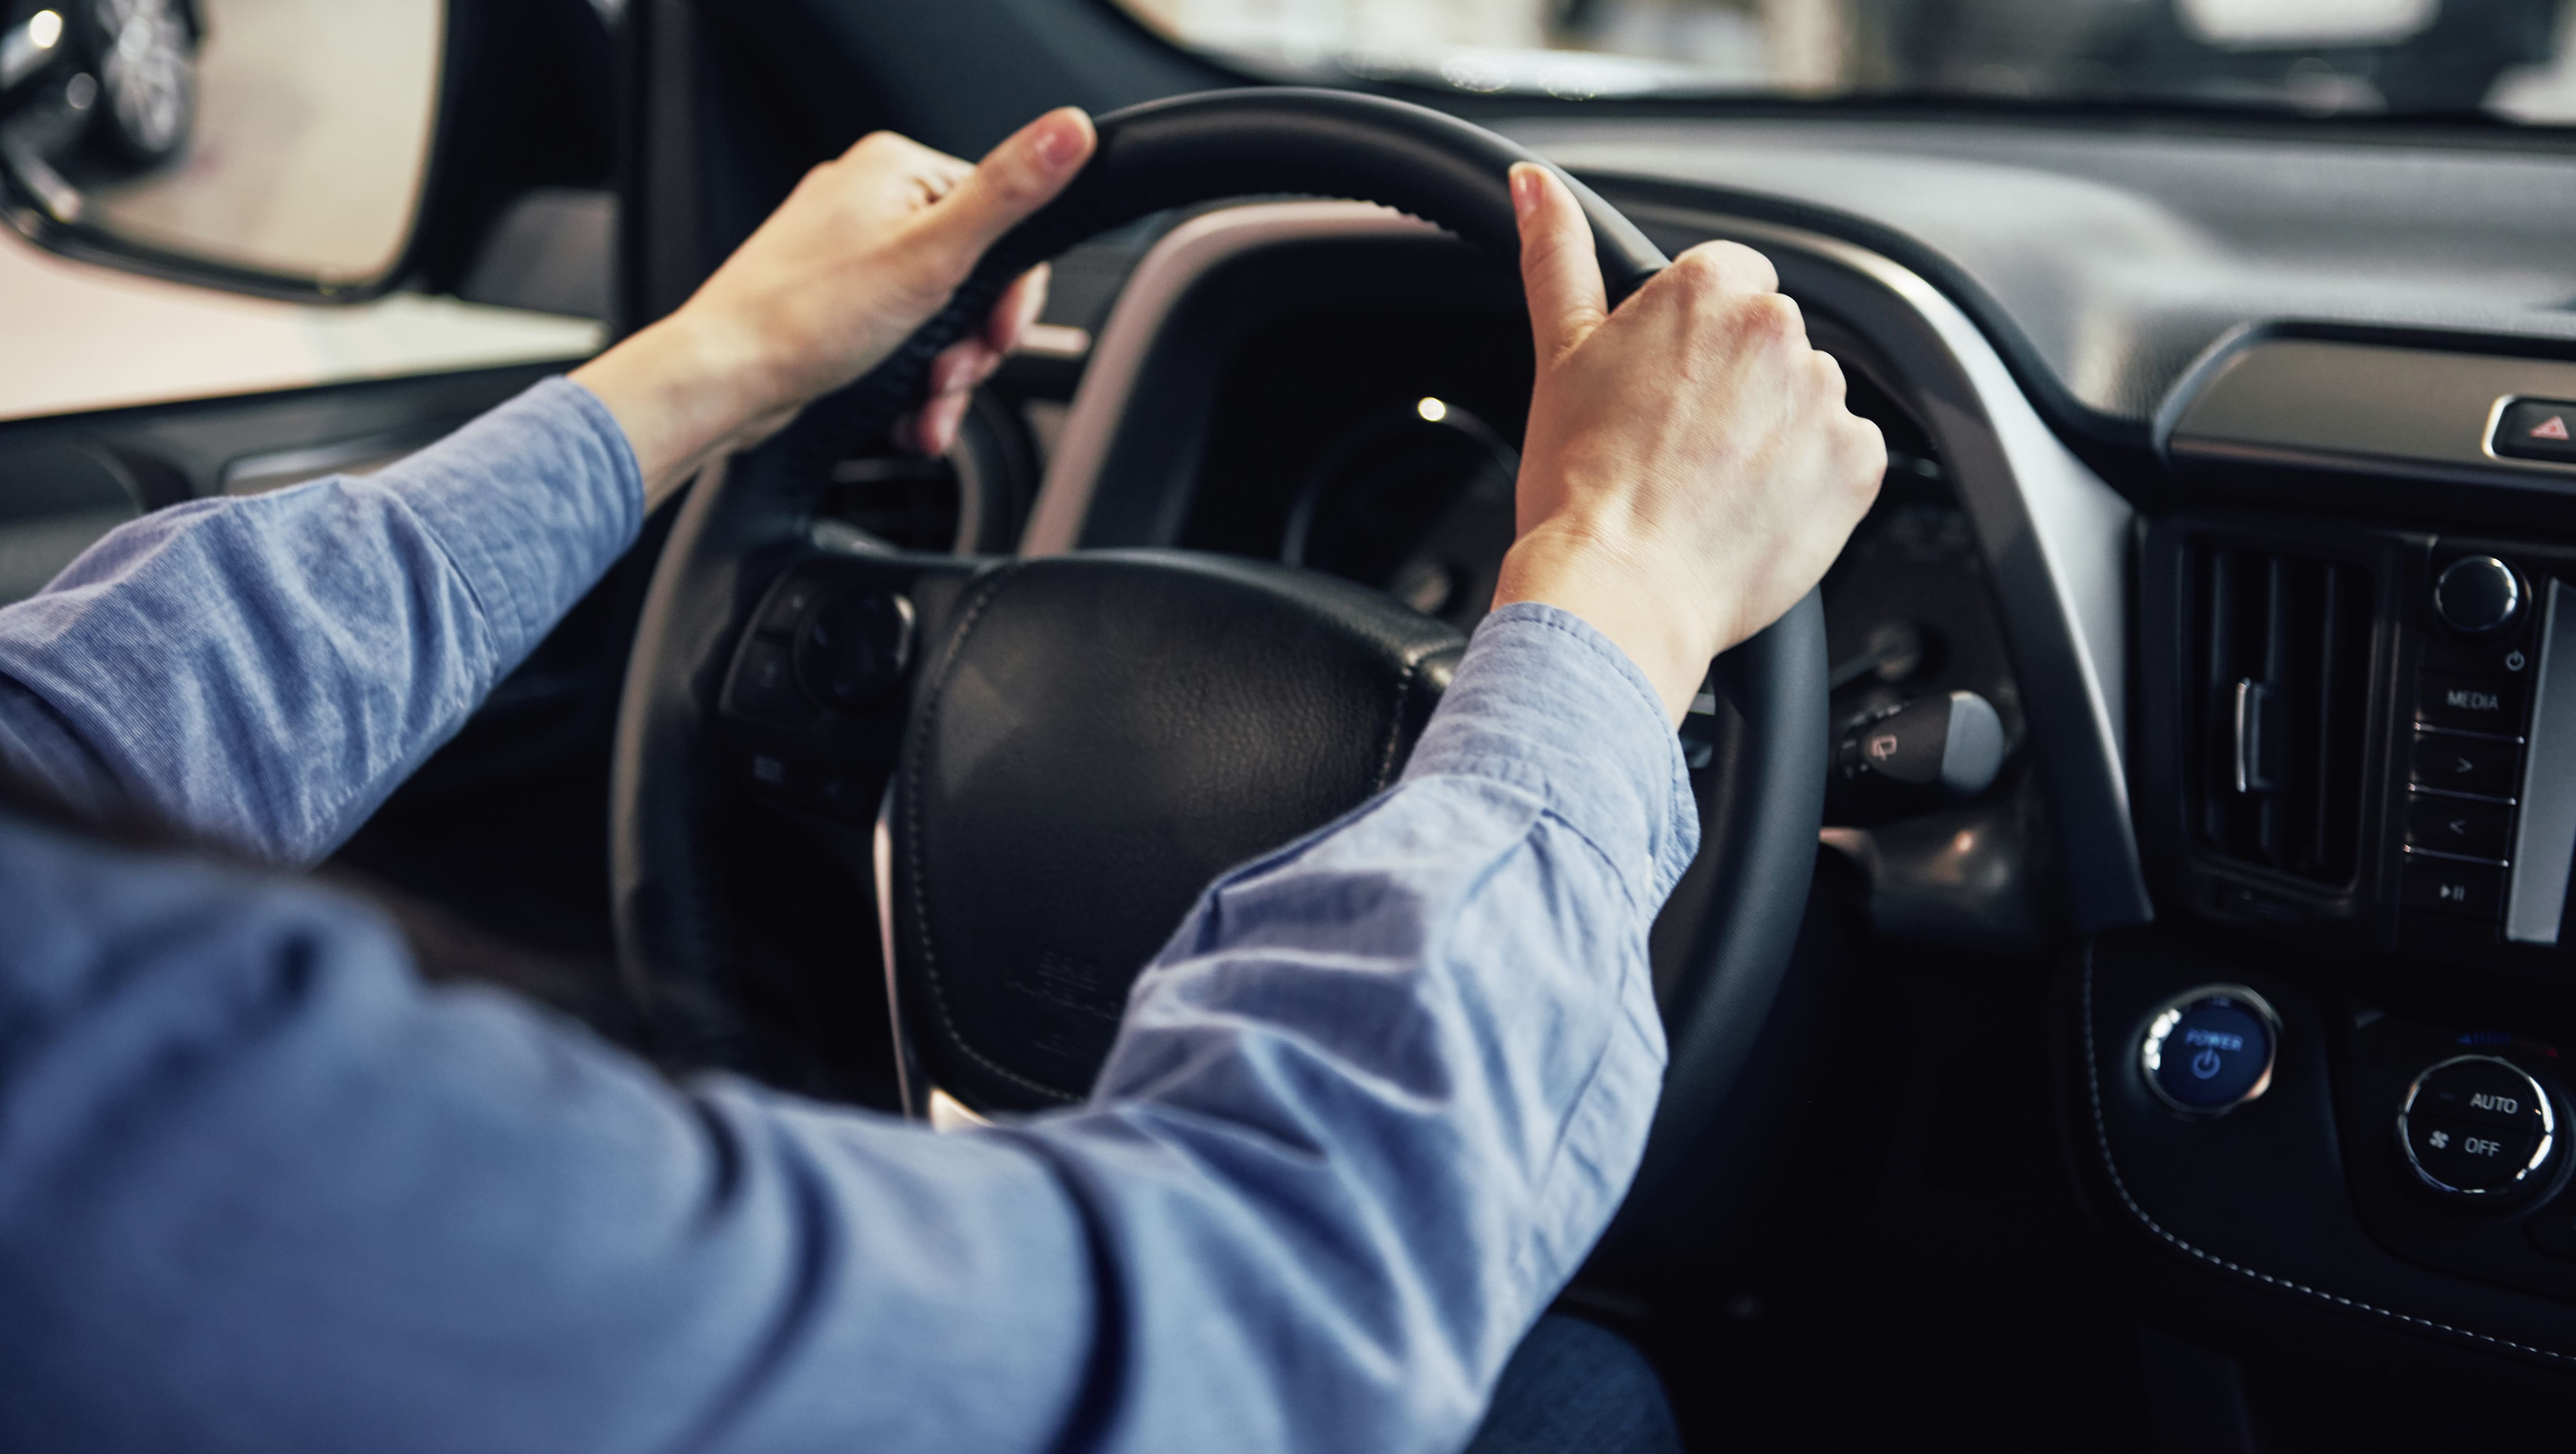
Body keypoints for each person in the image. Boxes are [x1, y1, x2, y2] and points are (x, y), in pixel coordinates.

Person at [0, 107, 1885, 1452]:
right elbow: (1246, 1325)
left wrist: (714, 370)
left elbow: (79, 731)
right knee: (1573, 1405)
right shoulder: (123, 1138)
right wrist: (1615, 591)